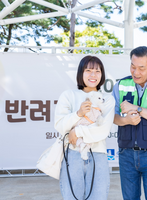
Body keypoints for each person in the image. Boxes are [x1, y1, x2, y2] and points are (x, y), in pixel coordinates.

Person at [54, 55, 115, 200]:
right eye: (88, 70)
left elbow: (103, 130)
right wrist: (78, 114)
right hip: (73, 155)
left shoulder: (106, 99)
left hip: (98, 156)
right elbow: (60, 125)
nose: (93, 75)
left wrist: (77, 131)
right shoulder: (68, 95)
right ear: (81, 73)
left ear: (102, 74)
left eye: (97, 71)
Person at [112, 46, 147, 200]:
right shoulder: (121, 85)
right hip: (126, 154)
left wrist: (137, 109)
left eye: (141, 68)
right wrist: (125, 120)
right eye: (133, 66)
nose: (136, 72)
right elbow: (113, 116)